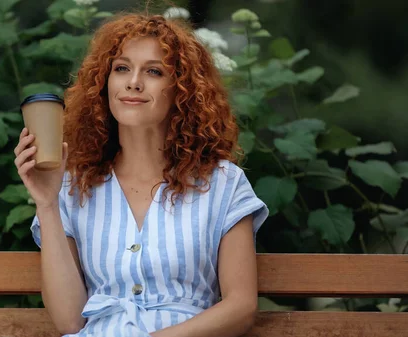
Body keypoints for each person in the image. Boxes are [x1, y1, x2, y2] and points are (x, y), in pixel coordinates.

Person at [14, 10, 269, 337]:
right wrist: (47, 203)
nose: (133, 82)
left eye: (153, 71)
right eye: (121, 69)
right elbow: (70, 322)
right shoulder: (71, 185)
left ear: (182, 89)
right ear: (104, 84)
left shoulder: (223, 183)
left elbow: (241, 307)